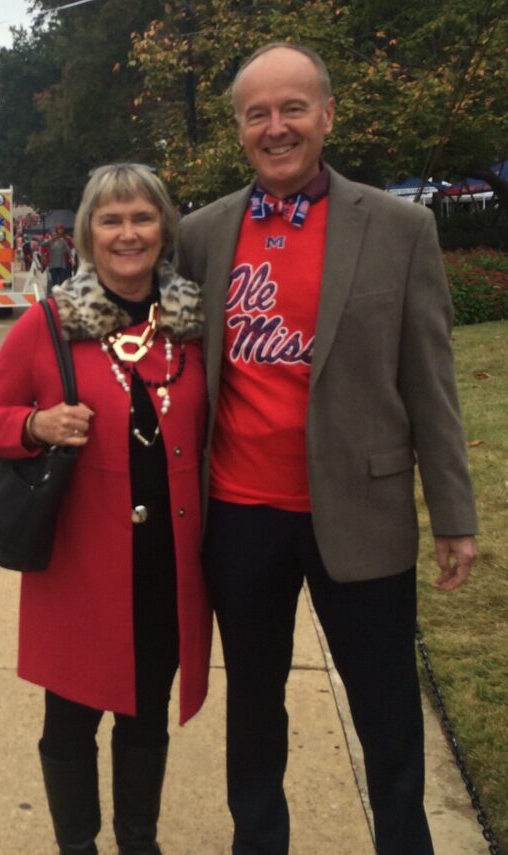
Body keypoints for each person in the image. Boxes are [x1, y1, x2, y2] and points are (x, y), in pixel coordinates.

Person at [175, 43, 478, 855]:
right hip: (240, 518)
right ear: (239, 129)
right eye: (257, 114)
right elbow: (141, 334)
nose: (276, 128)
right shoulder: (201, 236)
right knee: (255, 707)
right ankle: (259, 842)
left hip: (362, 511)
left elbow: (432, 382)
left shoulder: (400, 229)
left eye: (293, 109)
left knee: (386, 711)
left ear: (328, 115)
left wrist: (454, 513)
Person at [0, 164, 211, 854]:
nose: (128, 233)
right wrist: (34, 427)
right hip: (79, 567)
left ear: (164, 229)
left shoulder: (190, 325)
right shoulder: (49, 324)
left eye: (142, 217)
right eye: (111, 220)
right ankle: (77, 844)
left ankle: (140, 841)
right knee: (70, 723)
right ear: (86, 235)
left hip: (166, 563)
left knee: (146, 718)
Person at [43, 224, 74, 290]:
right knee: (54, 282)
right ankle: (54, 294)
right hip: (53, 265)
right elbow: (43, 244)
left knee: (62, 281)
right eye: (53, 235)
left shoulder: (63, 241)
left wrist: (71, 258)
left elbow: (69, 249)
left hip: (62, 264)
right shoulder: (50, 242)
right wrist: (49, 239)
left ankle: (62, 293)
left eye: (55, 235)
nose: (54, 236)